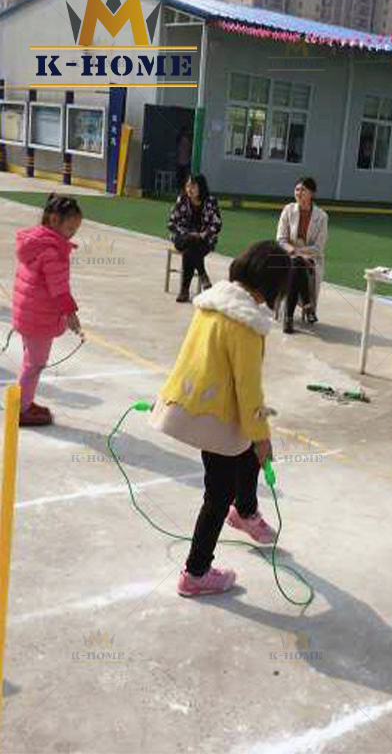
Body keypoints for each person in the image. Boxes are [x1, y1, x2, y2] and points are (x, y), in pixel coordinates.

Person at [150, 241, 290, 597]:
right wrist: (262, 437)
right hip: (215, 416)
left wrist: (254, 439)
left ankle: (244, 511)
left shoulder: (213, 303)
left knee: (245, 458)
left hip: (195, 402)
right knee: (218, 493)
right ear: (270, 285)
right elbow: (249, 389)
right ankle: (196, 572)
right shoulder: (246, 324)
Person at [11, 193, 83, 427]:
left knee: (30, 361)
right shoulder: (53, 251)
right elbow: (59, 289)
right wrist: (70, 314)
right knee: (35, 365)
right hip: (39, 318)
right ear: (53, 220)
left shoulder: (35, 242)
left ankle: (24, 402)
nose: (72, 234)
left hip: (27, 313)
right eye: (70, 229)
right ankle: (21, 409)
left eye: (75, 230)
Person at [277, 176, 329, 334]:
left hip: (311, 258)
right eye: (297, 189)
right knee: (297, 263)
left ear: (312, 194)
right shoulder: (288, 210)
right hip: (288, 255)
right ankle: (307, 305)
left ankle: (288, 317)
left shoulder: (321, 217)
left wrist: (300, 253)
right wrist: (295, 252)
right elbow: (281, 239)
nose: (298, 193)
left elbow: (318, 247)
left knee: (297, 264)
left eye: (303, 190)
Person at [168, 174, 222, 303]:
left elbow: (217, 224)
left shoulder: (211, 201)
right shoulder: (182, 200)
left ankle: (184, 291)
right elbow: (172, 223)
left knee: (190, 250)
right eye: (187, 186)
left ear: (201, 187)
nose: (189, 189)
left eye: (193, 186)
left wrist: (202, 234)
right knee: (190, 243)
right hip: (183, 238)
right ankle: (203, 275)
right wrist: (188, 234)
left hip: (204, 240)